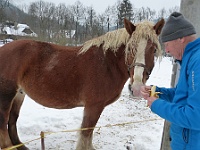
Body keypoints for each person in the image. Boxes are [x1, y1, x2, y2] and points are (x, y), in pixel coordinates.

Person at [140, 12, 200, 150]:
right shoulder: (190, 59)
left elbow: (196, 116)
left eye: (167, 44)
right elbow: (183, 96)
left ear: (181, 38)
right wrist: (157, 92)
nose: (166, 50)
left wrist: (157, 105)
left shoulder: (197, 62)